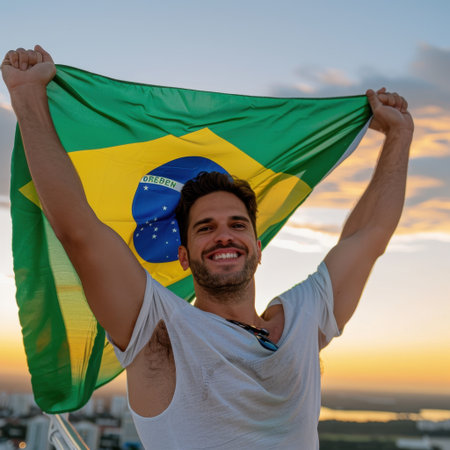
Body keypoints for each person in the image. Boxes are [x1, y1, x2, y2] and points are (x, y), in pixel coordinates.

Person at [2, 46, 413, 449]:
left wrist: (398, 135)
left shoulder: (304, 321)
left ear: (257, 245)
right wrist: (26, 96)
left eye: (237, 224)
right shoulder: (157, 328)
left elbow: (369, 236)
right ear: (183, 255)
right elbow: (78, 230)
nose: (224, 235)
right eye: (205, 228)